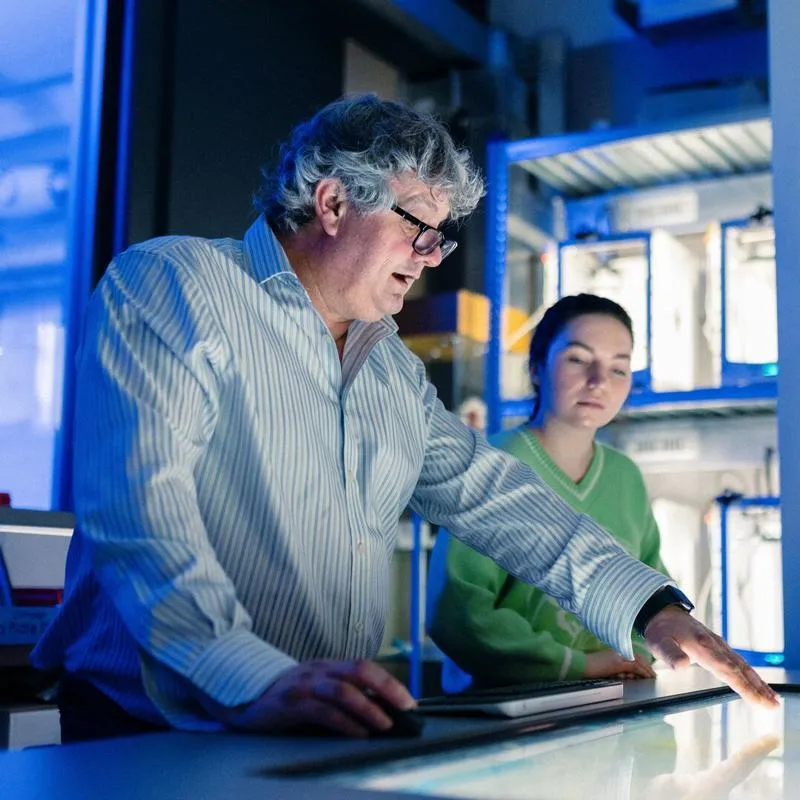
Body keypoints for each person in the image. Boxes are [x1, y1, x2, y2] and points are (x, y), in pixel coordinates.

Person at [31, 94, 777, 742]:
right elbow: (141, 513)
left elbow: (503, 500)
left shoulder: (389, 370)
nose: (431, 258)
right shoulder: (174, 283)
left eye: (441, 237)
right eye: (419, 227)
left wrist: (651, 608)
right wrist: (248, 675)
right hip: (146, 731)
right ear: (331, 204)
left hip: (312, 725)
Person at [428, 294, 667, 691]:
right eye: (577, 359)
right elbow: (459, 613)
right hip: (501, 714)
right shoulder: (490, 465)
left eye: (618, 368)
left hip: (609, 706)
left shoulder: (625, 476)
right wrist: (581, 665)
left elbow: (651, 588)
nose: (598, 381)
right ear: (537, 367)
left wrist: (637, 656)